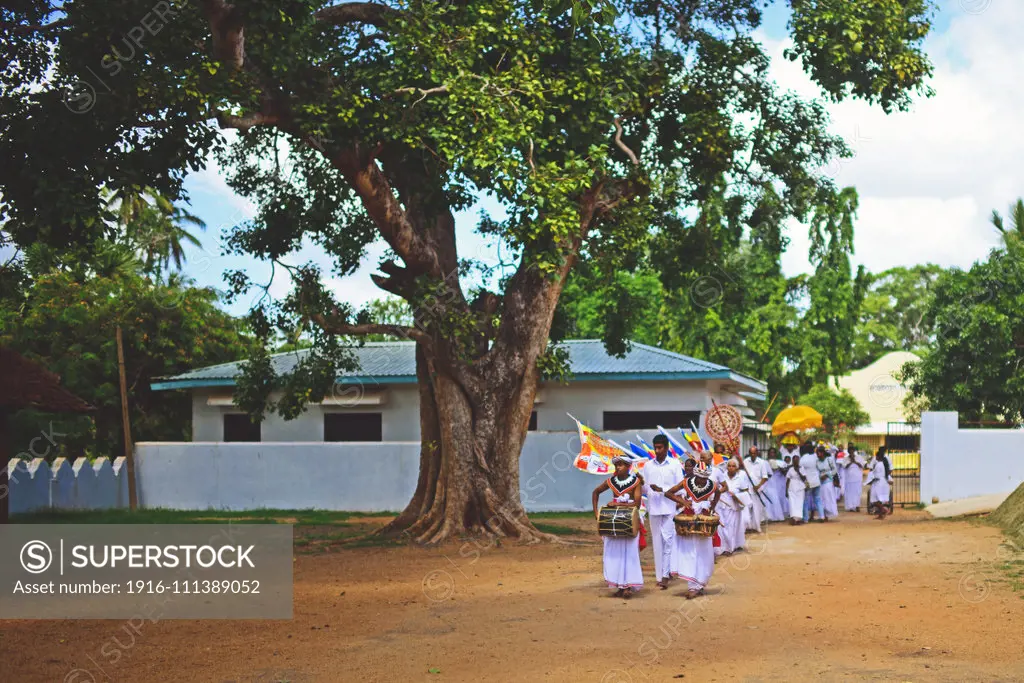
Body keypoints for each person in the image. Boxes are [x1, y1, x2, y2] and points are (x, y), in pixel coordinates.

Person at [665, 460, 722, 599]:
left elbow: (718, 493)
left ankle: (700, 583)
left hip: (703, 522)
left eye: (705, 478)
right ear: (695, 475)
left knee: (703, 552)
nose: (703, 480)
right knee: (689, 552)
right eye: (701, 478)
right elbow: (668, 493)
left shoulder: (712, 486)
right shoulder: (686, 483)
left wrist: (712, 507)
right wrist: (683, 502)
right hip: (688, 521)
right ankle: (693, 586)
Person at [592, 454, 645, 596]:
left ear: (628, 467)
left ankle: (628, 586)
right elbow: (595, 492)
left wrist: (618, 504)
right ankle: (619, 585)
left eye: (621, 465)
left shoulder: (636, 482)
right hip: (614, 521)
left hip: (629, 520)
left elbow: (637, 504)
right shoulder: (611, 481)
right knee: (613, 553)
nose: (618, 467)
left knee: (629, 553)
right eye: (616, 465)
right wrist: (596, 513)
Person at [643, 434, 685, 590]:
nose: (657, 450)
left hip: (668, 508)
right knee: (656, 542)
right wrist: (643, 486)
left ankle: (666, 576)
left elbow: (680, 488)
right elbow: (644, 488)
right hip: (653, 508)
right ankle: (660, 575)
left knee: (668, 540)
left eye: (660, 447)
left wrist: (663, 490)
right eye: (655, 447)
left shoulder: (674, 465)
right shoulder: (648, 466)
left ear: (667, 448)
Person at [716, 458, 751, 555]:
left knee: (731, 527)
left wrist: (736, 495)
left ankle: (729, 548)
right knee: (722, 527)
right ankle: (722, 548)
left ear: (737, 468)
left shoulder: (740, 478)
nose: (731, 468)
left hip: (734, 507)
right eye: (729, 466)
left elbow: (745, 492)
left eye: (733, 466)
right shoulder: (722, 477)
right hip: (722, 506)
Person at [742, 446, 771, 532]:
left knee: (757, 509)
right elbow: (743, 476)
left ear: (757, 453)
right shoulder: (745, 462)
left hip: (757, 490)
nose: (753, 455)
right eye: (751, 453)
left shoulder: (762, 462)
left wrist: (758, 486)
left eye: (754, 453)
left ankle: (757, 526)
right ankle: (747, 527)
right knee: (747, 508)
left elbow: (765, 477)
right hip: (747, 489)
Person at [799, 442, 824, 523]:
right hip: (817, 481)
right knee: (818, 499)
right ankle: (822, 516)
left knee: (805, 500)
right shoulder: (816, 457)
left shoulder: (803, 458)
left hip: (808, 482)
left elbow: (800, 468)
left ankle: (805, 519)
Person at [866, 447, 892, 519]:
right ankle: (881, 514)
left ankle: (883, 510)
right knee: (878, 500)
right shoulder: (883, 463)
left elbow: (875, 474)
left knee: (874, 500)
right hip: (882, 482)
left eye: (876, 456)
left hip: (878, 483)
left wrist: (870, 480)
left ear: (878, 457)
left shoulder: (879, 465)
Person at [764, 446, 788, 522]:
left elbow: (785, 473)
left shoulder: (781, 462)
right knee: (770, 498)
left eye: (773, 452)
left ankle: (780, 514)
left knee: (780, 498)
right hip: (769, 482)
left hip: (779, 482)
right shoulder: (765, 462)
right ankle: (770, 515)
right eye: (770, 453)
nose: (772, 454)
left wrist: (779, 468)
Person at [817, 445, 839, 520]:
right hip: (820, 482)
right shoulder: (817, 461)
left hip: (828, 482)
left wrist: (827, 475)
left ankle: (828, 514)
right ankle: (824, 515)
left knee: (828, 498)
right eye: (817, 453)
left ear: (823, 453)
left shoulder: (829, 459)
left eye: (819, 452)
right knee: (822, 499)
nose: (817, 454)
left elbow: (834, 470)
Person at [841, 442, 865, 511]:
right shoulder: (845, 459)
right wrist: (850, 461)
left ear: (854, 451)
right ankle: (851, 507)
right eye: (850, 451)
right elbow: (845, 467)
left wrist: (855, 461)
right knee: (849, 493)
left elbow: (862, 466)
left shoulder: (859, 457)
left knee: (857, 492)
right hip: (849, 479)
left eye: (852, 451)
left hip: (857, 479)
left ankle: (857, 506)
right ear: (848, 452)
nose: (851, 453)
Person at [784, 449, 806, 525]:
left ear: (799, 460)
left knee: (799, 503)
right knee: (792, 503)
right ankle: (793, 518)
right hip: (792, 488)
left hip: (800, 488)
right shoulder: (790, 469)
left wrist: (798, 471)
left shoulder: (802, 468)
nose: (796, 462)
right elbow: (787, 480)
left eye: (797, 460)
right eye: (794, 461)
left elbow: (804, 479)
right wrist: (786, 490)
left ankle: (798, 519)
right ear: (792, 461)